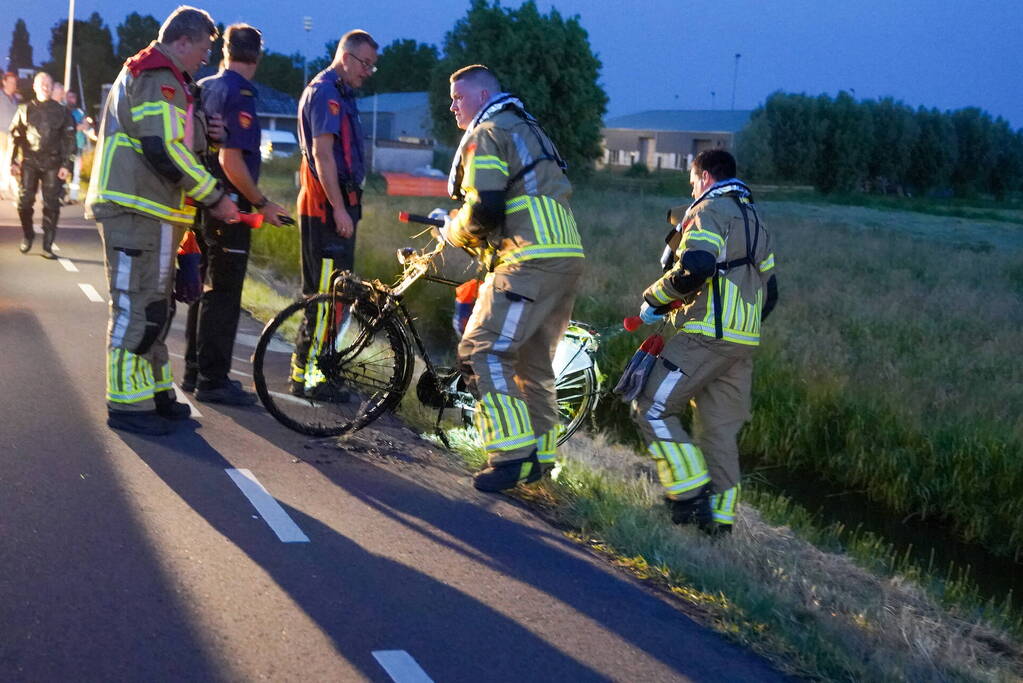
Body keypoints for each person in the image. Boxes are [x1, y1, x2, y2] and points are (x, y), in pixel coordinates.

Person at [86, 6, 239, 436]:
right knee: (139, 306)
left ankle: (155, 392)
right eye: (205, 49)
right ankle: (127, 404)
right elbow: (163, 149)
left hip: (153, 211)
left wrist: (204, 134)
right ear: (183, 41)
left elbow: (174, 143)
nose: (206, 59)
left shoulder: (170, 80)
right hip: (135, 208)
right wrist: (215, 197)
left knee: (157, 306)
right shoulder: (158, 75)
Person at [437, 65, 585, 492]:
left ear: (483, 96)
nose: (452, 106)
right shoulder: (528, 129)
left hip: (529, 257)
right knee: (533, 363)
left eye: (458, 98)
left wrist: (452, 230)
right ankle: (540, 458)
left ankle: (510, 455)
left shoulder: (487, 133)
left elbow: (484, 208)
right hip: (566, 254)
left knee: (482, 348)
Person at [630, 149, 778, 535]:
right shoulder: (757, 222)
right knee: (718, 430)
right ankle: (719, 523)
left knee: (650, 407)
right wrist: (738, 323)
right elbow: (770, 292)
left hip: (706, 337)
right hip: (743, 343)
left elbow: (696, 266)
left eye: (693, 181)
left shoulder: (708, 210)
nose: (693, 188)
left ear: (707, 178)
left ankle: (688, 492)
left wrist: (654, 300)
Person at [183, 23, 288, 405]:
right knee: (224, 295)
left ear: (225, 51)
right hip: (229, 209)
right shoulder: (239, 93)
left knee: (203, 289)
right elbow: (232, 160)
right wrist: (262, 202)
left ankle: (195, 371)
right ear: (257, 56)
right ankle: (213, 379)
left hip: (200, 201)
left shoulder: (207, 86)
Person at [291, 29, 377, 398]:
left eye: (373, 65)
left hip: (338, 207)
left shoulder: (342, 93)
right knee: (325, 296)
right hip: (326, 209)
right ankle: (311, 377)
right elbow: (323, 155)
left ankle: (317, 371)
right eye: (365, 63)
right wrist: (340, 210)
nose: (369, 71)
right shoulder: (325, 92)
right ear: (346, 56)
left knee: (336, 294)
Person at [9, 71, 75, 258]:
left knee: (52, 204)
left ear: (52, 87)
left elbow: (69, 139)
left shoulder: (63, 112)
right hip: (30, 161)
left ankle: (48, 244)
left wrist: (66, 165)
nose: (45, 86)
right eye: (42, 83)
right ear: (35, 87)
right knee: (24, 202)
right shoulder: (24, 110)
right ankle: (28, 234)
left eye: (49, 83)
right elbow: (16, 137)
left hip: (53, 163)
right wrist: (13, 161)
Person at [64, 89, 92, 203]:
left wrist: (83, 125)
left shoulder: (80, 112)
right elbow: (67, 128)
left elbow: (86, 125)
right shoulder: (63, 111)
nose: (72, 99)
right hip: (65, 146)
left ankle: (73, 197)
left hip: (78, 146)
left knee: (76, 173)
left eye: (73, 97)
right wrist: (77, 127)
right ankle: (62, 196)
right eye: (69, 97)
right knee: (64, 171)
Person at [1, 71, 21, 200]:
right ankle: (6, 189)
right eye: (10, 82)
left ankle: (4, 188)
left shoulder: (15, 99)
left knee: (9, 161)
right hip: (1, 133)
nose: (13, 85)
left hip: (12, 135)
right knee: (4, 161)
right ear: (4, 82)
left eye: (14, 83)